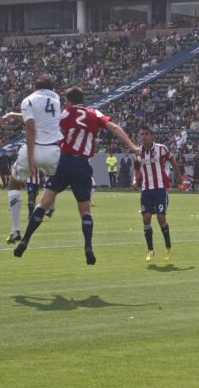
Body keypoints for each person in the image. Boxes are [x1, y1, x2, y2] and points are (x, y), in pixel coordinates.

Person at [14, 87, 139, 264]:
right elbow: (113, 126)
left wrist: (13, 115)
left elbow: (37, 122)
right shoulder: (93, 113)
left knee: (44, 202)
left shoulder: (66, 112)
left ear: (69, 101)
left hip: (63, 161)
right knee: (85, 210)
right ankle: (88, 246)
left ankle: (26, 239)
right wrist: (132, 146)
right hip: (82, 165)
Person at [0, 76, 62, 244]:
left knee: (13, 184)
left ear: (36, 87)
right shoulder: (57, 100)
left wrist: (31, 155)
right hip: (53, 150)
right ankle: (52, 205)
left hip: (34, 148)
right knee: (53, 179)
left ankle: (15, 230)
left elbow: (30, 125)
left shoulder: (29, 100)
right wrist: (13, 115)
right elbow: (40, 119)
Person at [133, 126, 182, 263]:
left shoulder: (161, 148)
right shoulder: (137, 152)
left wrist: (179, 176)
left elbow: (173, 161)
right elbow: (136, 169)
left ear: (152, 136)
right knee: (146, 219)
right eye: (142, 134)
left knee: (161, 218)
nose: (144, 136)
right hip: (146, 190)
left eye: (146, 134)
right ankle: (150, 250)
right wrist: (135, 181)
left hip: (160, 189)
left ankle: (168, 247)